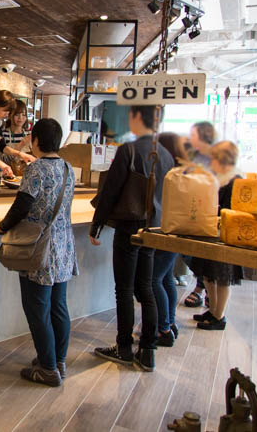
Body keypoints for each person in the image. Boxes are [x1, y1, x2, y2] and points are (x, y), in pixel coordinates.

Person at [90, 105, 174, 372]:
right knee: (146, 287)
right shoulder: (166, 155)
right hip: (153, 229)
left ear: (138, 117)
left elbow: (110, 191)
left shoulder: (129, 150)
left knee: (124, 290)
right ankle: (148, 351)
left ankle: (124, 348)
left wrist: (97, 225)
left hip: (128, 227)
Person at [0, 118, 77, 387]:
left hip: (40, 247)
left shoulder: (37, 168)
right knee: (58, 306)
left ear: (36, 140)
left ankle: (48, 368)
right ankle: (57, 361)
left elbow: (23, 204)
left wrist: (2, 226)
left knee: (37, 308)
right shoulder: (68, 168)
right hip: (63, 245)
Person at [189, 141, 244, 329]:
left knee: (221, 277)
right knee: (208, 275)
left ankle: (219, 316)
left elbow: (231, 209)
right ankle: (212, 311)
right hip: (211, 231)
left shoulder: (235, 180)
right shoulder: (219, 177)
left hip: (225, 235)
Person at [153, 132, 186, 346]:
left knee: (153, 279)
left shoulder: (168, 174)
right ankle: (170, 323)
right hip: (178, 230)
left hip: (166, 230)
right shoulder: (182, 172)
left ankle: (163, 329)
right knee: (166, 278)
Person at [182, 121, 217, 307]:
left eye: (194, 134)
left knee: (204, 252)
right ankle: (205, 286)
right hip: (190, 208)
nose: (191, 137)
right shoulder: (193, 155)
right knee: (188, 251)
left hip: (208, 210)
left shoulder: (216, 157)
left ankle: (202, 288)